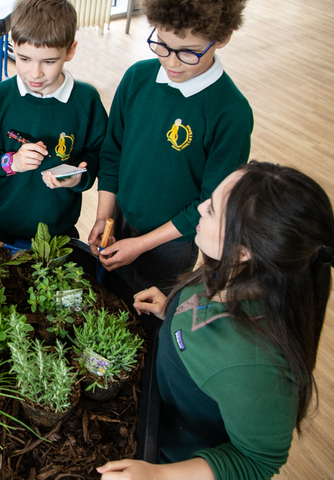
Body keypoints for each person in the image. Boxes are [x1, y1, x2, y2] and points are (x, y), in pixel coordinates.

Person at [98, 161, 334, 480]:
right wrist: (171, 310)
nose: (201, 205)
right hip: (156, 408)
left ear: (244, 251)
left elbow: (256, 462)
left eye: (212, 209)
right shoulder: (228, 269)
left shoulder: (257, 368)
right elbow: (205, 334)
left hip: (171, 459)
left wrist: (159, 476)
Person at [88, 0, 253, 292]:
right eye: (161, 45)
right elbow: (112, 153)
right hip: (121, 218)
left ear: (222, 38)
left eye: (189, 52)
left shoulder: (232, 113)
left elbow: (210, 202)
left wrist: (141, 244)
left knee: (149, 312)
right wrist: (105, 216)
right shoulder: (137, 78)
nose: (171, 62)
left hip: (173, 243)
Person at [0, 0, 107, 239]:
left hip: (60, 231)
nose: (35, 73)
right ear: (13, 46)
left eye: (49, 62)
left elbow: (99, 155)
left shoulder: (87, 100)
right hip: (0, 228)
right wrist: (11, 163)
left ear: (70, 50)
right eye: (24, 59)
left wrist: (78, 178)